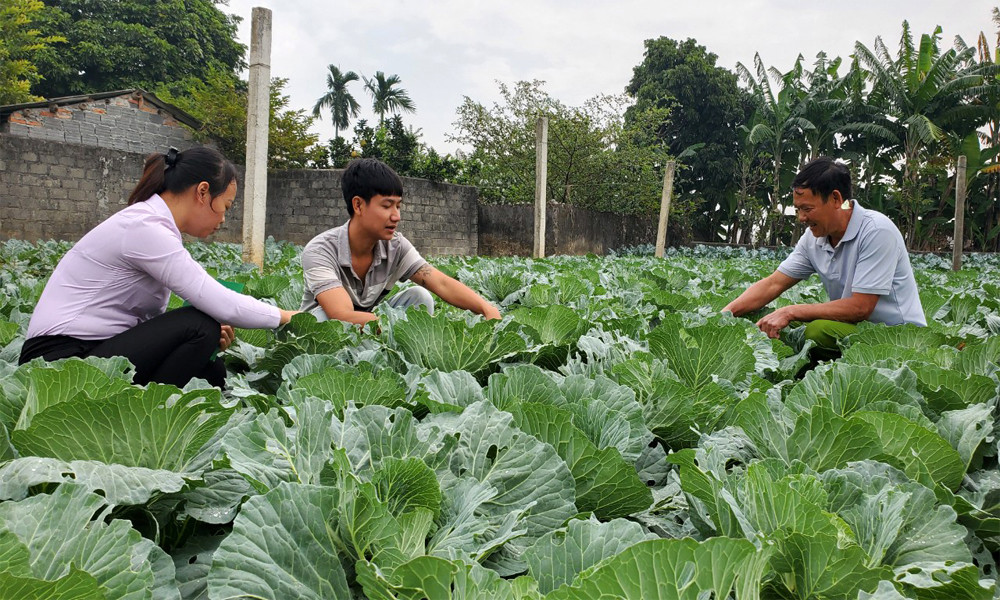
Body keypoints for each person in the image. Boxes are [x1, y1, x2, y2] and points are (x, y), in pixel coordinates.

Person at [19, 146, 298, 387]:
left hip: (90, 351)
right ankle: (136, 411)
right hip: (57, 360)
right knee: (200, 326)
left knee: (210, 369)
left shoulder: (153, 223)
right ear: (202, 192)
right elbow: (219, 302)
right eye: (226, 205)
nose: (224, 219)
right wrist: (288, 316)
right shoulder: (145, 227)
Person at [722, 156, 925, 361]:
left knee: (817, 331)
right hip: (852, 329)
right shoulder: (814, 238)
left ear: (836, 199)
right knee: (769, 322)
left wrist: (791, 311)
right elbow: (773, 284)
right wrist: (725, 314)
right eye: (798, 209)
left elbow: (861, 307)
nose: (801, 217)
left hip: (899, 337)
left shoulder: (876, 231)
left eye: (807, 209)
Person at [300, 158, 501, 325]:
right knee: (323, 318)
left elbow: (441, 283)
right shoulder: (320, 250)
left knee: (419, 297)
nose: (396, 216)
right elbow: (342, 315)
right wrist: (399, 330)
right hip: (319, 339)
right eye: (387, 206)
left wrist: (486, 308)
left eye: (398, 206)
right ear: (358, 205)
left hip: (370, 327)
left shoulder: (395, 246)